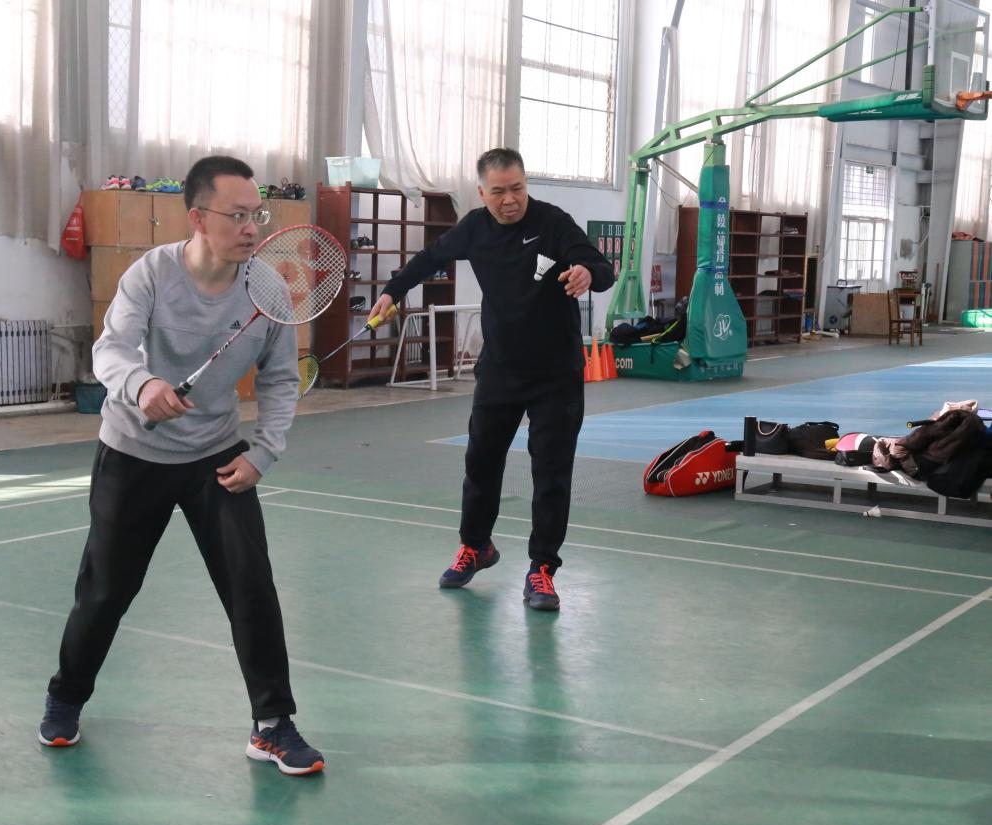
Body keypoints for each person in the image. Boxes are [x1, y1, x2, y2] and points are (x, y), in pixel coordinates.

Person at [39, 155, 324, 776]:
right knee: (106, 590)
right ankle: (66, 697)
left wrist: (263, 452)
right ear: (197, 217)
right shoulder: (152, 274)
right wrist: (142, 385)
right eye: (237, 215)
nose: (250, 228)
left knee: (251, 586)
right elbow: (111, 349)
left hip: (217, 458)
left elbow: (281, 380)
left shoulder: (267, 289)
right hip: (132, 452)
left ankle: (272, 724)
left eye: (257, 216)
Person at [369, 148, 614, 612]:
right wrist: (392, 291)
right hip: (500, 369)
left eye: (517, 188)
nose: (510, 199)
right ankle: (476, 546)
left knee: (551, 473)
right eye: (499, 191)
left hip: (556, 374)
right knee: (481, 463)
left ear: (526, 185)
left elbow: (599, 266)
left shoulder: (553, 222)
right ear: (482, 193)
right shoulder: (474, 228)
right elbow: (430, 257)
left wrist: (587, 273)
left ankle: (542, 568)